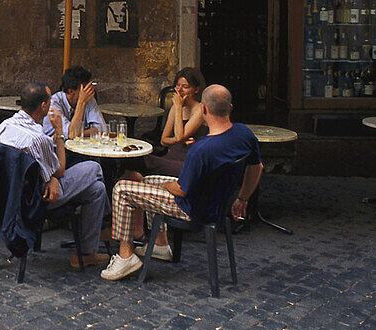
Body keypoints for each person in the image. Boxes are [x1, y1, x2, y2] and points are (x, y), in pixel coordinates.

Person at [100, 84, 264, 281]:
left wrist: (166, 186)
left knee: (121, 189)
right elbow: (257, 167)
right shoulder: (244, 134)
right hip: (217, 205)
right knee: (148, 180)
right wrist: (242, 198)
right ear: (230, 108)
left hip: (191, 209)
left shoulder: (201, 149)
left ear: (203, 109)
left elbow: (180, 190)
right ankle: (161, 245)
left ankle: (126, 257)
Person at [0, 81, 110, 268]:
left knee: (97, 189)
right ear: (43, 106)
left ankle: (87, 252)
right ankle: (104, 226)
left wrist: (51, 177)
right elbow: (60, 169)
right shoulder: (37, 138)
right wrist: (59, 133)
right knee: (95, 168)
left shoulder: (3, 128)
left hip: (9, 196)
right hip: (37, 200)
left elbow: (45, 169)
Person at [146, 67, 206, 177]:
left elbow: (179, 136)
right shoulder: (175, 108)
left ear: (196, 89)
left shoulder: (200, 109)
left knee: (147, 161)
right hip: (171, 157)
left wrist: (178, 107)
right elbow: (164, 140)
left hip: (187, 162)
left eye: (185, 86)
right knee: (137, 165)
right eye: (177, 85)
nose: (179, 90)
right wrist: (179, 140)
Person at [42, 65, 106, 139]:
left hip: (80, 146)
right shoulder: (53, 103)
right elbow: (72, 134)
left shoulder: (88, 99)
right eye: (84, 88)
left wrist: (80, 134)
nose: (87, 92)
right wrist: (81, 102)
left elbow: (102, 129)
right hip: (56, 148)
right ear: (71, 91)